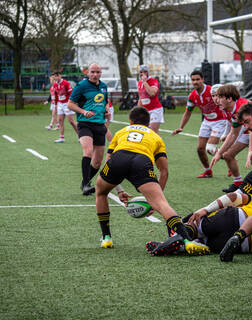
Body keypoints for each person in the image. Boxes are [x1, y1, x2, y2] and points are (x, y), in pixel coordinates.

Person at [95, 106, 209, 255]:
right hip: (141, 162)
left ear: (130, 122)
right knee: (162, 203)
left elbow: (109, 161)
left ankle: (107, 238)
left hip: (119, 158)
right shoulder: (156, 137)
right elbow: (164, 171)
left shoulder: (121, 132)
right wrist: (155, 199)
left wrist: (120, 190)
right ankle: (187, 241)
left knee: (101, 193)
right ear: (149, 123)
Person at [146, 197, 252, 256]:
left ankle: (180, 236)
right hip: (241, 246)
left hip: (235, 218)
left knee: (195, 223)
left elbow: (233, 196)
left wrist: (206, 209)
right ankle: (186, 245)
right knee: (204, 241)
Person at [171, 71, 228, 178]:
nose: (195, 82)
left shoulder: (213, 90)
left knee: (210, 149)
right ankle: (208, 171)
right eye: (193, 80)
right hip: (206, 121)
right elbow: (188, 112)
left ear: (202, 80)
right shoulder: (192, 96)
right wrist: (181, 127)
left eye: (198, 79)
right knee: (200, 149)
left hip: (220, 121)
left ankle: (230, 159)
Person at [68, 63, 109, 196]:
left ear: (100, 73)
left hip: (99, 125)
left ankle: (85, 181)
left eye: (98, 72)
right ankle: (86, 185)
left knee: (97, 161)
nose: (95, 74)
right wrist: (83, 112)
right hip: (85, 123)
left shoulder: (103, 86)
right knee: (88, 151)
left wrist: (106, 110)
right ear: (88, 73)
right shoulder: (81, 86)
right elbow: (70, 104)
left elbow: (104, 102)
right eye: (92, 72)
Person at [137, 65, 164, 134]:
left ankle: (159, 144)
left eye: (145, 72)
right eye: (141, 72)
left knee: (153, 132)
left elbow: (152, 93)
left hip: (155, 109)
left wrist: (145, 82)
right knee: (144, 132)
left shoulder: (153, 81)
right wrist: (137, 111)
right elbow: (141, 97)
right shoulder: (140, 83)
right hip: (145, 110)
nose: (143, 74)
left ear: (148, 72)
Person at [53, 71, 78, 143]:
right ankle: (61, 137)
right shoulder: (55, 85)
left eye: (57, 75)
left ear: (60, 76)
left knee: (71, 121)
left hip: (67, 103)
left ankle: (79, 135)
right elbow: (56, 95)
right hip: (60, 104)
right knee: (60, 120)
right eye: (55, 76)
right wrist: (56, 104)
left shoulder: (66, 83)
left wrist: (70, 103)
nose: (56, 77)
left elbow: (71, 93)